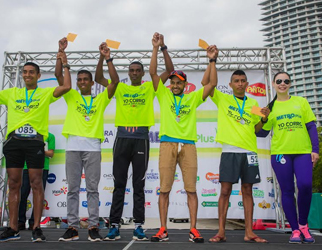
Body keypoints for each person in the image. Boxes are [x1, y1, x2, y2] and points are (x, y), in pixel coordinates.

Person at [0, 41, 71, 242]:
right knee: (13, 184)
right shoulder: (12, 93)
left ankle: (36, 227)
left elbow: (67, 86)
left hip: (35, 142)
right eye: (25, 72)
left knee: (37, 183)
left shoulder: (45, 93)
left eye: (31, 72)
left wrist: (64, 62)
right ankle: (12, 228)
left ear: (38, 76)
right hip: (14, 142)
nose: (27, 75)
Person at [95, 34, 174, 242]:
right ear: (128, 73)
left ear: (142, 73)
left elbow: (169, 71)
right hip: (122, 138)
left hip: (141, 138)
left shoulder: (150, 87)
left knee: (139, 184)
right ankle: (114, 226)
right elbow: (99, 79)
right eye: (132, 71)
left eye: (138, 70)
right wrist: (104, 58)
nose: (135, 73)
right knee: (119, 184)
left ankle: (139, 226)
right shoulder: (119, 87)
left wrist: (161, 47)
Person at [149, 33, 219, 243]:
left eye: (179, 82)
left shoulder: (193, 97)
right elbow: (152, 72)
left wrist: (212, 60)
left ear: (185, 84)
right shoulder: (163, 94)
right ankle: (163, 229)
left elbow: (212, 83)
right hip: (167, 143)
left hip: (188, 145)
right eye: (173, 81)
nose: (175, 84)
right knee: (164, 190)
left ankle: (193, 229)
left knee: (191, 189)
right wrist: (155, 48)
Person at [54, 39, 119, 242]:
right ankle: (72, 227)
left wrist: (106, 58)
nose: (82, 82)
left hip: (93, 147)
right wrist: (61, 54)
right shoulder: (71, 95)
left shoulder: (100, 99)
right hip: (73, 146)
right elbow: (58, 75)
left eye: (85, 79)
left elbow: (115, 83)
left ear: (92, 83)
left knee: (92, 190)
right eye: (79, 79)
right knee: (72, 189)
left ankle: (93, 226)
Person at [205, 70, 270, 243]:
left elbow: (256, 130)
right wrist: (212, 62)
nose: (240, 83)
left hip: (249, 152)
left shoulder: (254, 104)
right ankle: (221, 232)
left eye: (242, 81)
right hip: (229, 151)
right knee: (225, 191)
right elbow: (206, 84)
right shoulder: (223, 98)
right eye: (236, 81)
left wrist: (263, 120)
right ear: (231, 85)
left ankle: (249, 232)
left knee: (248, 191)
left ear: (247, 84)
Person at [260, 72, 319, 244]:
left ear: (290, 84)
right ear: (273, 84)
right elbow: (261, 133)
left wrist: (315, 149)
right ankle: (294, 229)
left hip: (302, 152)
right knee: (287, 191)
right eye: (279, 81)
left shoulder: (301, 102)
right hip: (280, 153)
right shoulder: (270, 108)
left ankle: (303, 225)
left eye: (286, 81)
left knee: (305, 185)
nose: (283, 83)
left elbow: (311, 126)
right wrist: (263, 119)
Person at [18, 132, 55, 231]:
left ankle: (34, 222)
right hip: (26, 167)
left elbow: (51, 153)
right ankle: (20, 221)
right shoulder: (28, 134)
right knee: (23, 193)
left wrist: (38, 150)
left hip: (43, 168)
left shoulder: (49, 136)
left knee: (38, 195)